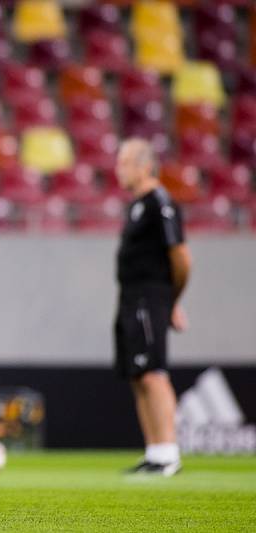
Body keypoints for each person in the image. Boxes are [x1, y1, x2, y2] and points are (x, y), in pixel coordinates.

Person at [114, 138, 191, 476]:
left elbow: (182, 258)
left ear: (145, 166)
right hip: (131, 298)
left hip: (150, 297)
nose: (119, 170)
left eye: (125, 163)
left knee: (154, 374)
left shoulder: (161, 202)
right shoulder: (136, 205)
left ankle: (169, 453)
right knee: (137, 375)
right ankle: (155, 452)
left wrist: (172, 301)